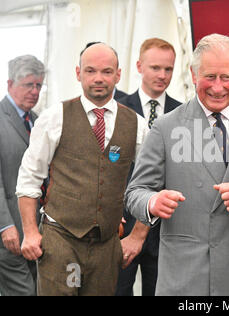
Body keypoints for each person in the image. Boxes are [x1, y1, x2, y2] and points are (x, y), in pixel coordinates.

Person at [125, 33, 229, 296]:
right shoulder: (166, 127)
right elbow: (135, 192)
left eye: (226, 77)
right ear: (193, 75)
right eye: (209, 77)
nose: (217, 87)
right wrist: (152, 202)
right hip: (185, 278)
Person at [16, 43, 148, 296]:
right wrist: (31, 232)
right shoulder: (55, 117)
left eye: (106, 72)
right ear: (78, 73)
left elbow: (153, 182)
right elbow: (29, 178)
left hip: (107, 245)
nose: (98, 78)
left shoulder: (137, 125)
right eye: (90, 71)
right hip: (60, 240)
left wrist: (138, 236)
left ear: (118, 75)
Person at [116, 38, 182, 296]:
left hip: (167, 229)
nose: (162, 75)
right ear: (139, 66)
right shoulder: (117, 110)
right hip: (122, 225)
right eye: (155, 68)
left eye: (168, 69)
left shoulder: (183, 113)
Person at [0, 55, 45, 296]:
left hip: (34, 233)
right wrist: (5, 225)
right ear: (10, 84)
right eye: (29, 84)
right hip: (8, 234)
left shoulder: (38, 122)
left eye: (39, 85)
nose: (35, 91)